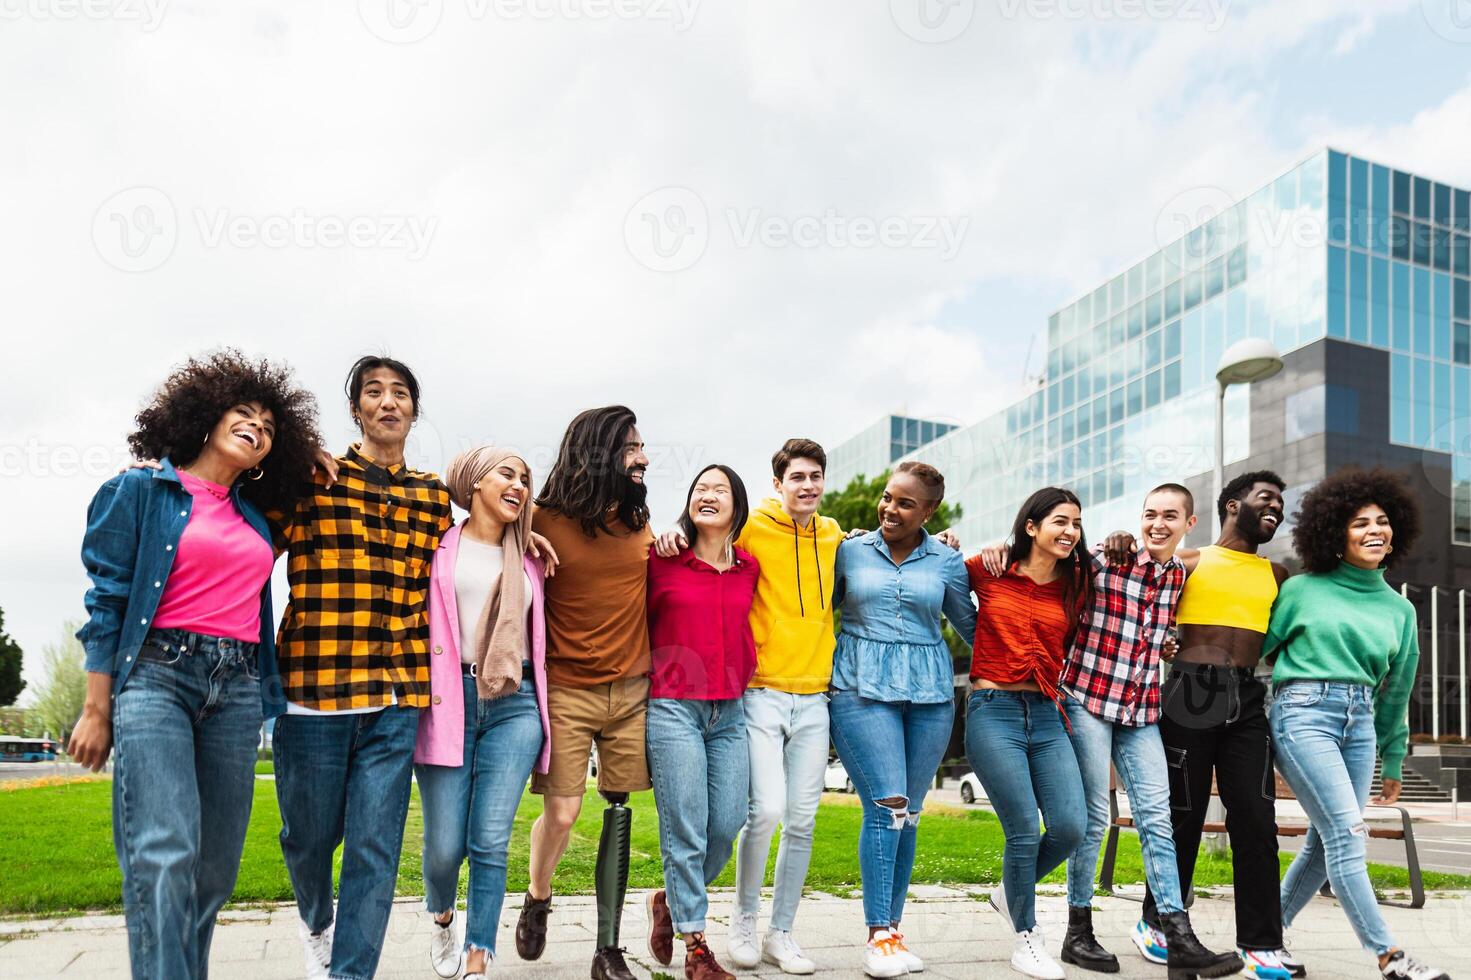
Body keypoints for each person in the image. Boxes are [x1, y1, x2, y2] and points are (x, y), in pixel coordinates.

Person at [71, 350, 321, 979]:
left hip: (236, 689)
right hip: (156, 677)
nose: (257, 428)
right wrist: (96, 709)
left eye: (268, 427)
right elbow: (107, 605)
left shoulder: (255, 519)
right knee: (163, 855)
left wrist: (316, 457)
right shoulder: (139, 489)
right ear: (206, 418)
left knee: (213, 871)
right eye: (244, 414)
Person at [981, 484, 1239, 978]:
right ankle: (1078, 932)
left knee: (1157, 818)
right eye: (1149, 515)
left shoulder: (1179, 576)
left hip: (1141, 712)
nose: (1157, 524)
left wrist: (1166, 642)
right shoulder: (1103, 559)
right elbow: (1046, 552)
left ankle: (1176, 933)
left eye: (1170, 516)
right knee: (1094, 818)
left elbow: (1166, 614)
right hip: (1088, 702)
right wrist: (997, 545)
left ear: (1190, 523)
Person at [271, 356, 455, 980]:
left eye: (401, 393)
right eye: (373, 393)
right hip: (314, 690)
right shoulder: (311, 478)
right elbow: (243, 527)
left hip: (397, 695)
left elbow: (470, 552)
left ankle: (351, 973)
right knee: (309, 839)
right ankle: (315, 919)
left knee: (375, 850)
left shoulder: (432, 496)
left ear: (413, 410)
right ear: (355, 409)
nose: (388, 402)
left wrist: (527, 539)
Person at [658, 437, 845, 974]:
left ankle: (780, 933)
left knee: (804, 821)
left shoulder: (834, 535)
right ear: (777, 483)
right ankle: (741, 918)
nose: (807, 486)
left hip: (815, 695)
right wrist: (674, 530)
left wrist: (942, 538)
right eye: (797, 477)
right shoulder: (752, 528)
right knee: (763, 812)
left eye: (815, 477)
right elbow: (698, 534)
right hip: (758, 689)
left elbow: (881, 545)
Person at [1107, 471, 1295, 978]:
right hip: (1190, 693)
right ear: (1233, 505)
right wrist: (1123, 543)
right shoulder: (1190, 562)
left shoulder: (1277, 575)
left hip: (1248, 698)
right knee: (1180, 815)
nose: (1277, 506)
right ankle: (1156, 924)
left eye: (1281, 501)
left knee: (1257, 820)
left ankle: (1261, 944)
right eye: (1267, 498)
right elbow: (1130, 588)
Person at [1264, 469, 1450, 980]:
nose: (1374, 530)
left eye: (1383, 522)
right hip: (1302, 713)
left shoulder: (1400, 609)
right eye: (1359, 522)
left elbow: (1398, 690)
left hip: (1360, 722)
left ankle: (1263, 938)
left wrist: (1394, 756)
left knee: (1325, 845)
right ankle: (1390, 956)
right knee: (1348, 833)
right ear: (1334, 534)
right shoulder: (1301, 590)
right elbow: (1248, 654)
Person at [515, 406, 655, 980]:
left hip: (632, 689)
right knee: (565, 811)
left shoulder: (642, 521)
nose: (643, 457)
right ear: (598, 453)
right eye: (630, 449)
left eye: (643, 447)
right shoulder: (541, 520)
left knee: (619, 811)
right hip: (568, 688)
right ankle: (538, 894)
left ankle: (608, 947)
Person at [828, 462, 976, 978]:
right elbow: (810, 608)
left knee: (910, 812)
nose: (890, 509)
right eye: (888, 498)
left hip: (930, 697)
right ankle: (877, 936)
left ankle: (892, 929)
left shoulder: (947, 561)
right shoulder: (847, 550)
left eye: (905, 503)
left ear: (929, 511)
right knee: (886, 803)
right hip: (860, 688)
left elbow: (973, 627)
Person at [414, 447, 551, 980]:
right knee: (445, 846)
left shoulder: (532, 556)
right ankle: (443, 915)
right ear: (473, 483)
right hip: (450, 700)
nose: (518, 485)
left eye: (524, 478)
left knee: (490, 839)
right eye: (506, 474)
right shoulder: (435, 546)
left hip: (513, 705)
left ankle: (478, 954)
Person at [963, 487, 1088, 980]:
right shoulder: (989, 570)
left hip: (1047, 709)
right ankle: (1026, 938)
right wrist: (954, 538)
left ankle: (1007, 894)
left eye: (1076, 523)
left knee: (1070, 827)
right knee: (1022, 829)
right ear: (1031, 527)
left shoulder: (1078, 580)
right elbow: (935, 564)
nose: (1070, 531)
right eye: (1060, 521)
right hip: (993, 710)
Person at [644, 464, 760, 980]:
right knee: (685, 829)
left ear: (737, 506)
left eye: (720, 489)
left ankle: (668, 899)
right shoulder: (661, 558)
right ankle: (697, 948)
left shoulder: (749, 567)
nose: (707, 495)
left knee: (728, 822)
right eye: (699, 489)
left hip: (730, 711)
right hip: (673, 707)